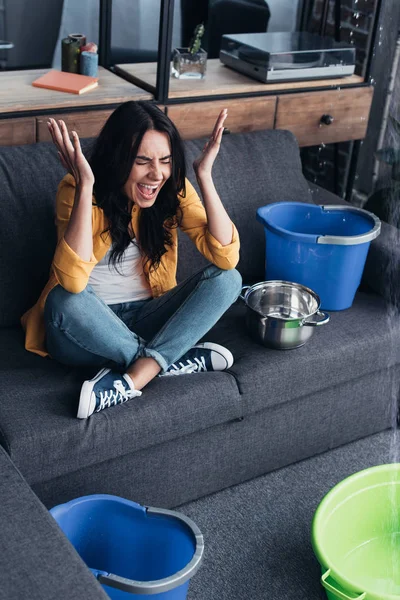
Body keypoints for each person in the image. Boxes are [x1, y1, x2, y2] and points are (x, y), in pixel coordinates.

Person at [21, 101, 241, 419]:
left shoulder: (172, 188)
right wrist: (86, 187)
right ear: (119, 159)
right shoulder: (75, 190)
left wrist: (204, 175)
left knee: (228, 278)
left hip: (148, 316)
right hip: (85, 330)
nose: (156, 174)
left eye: (165, 161)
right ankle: (165, 360)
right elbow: (71, 282)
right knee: (65, 299)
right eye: (142, 162)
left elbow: (226, 256)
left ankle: (138, 373)